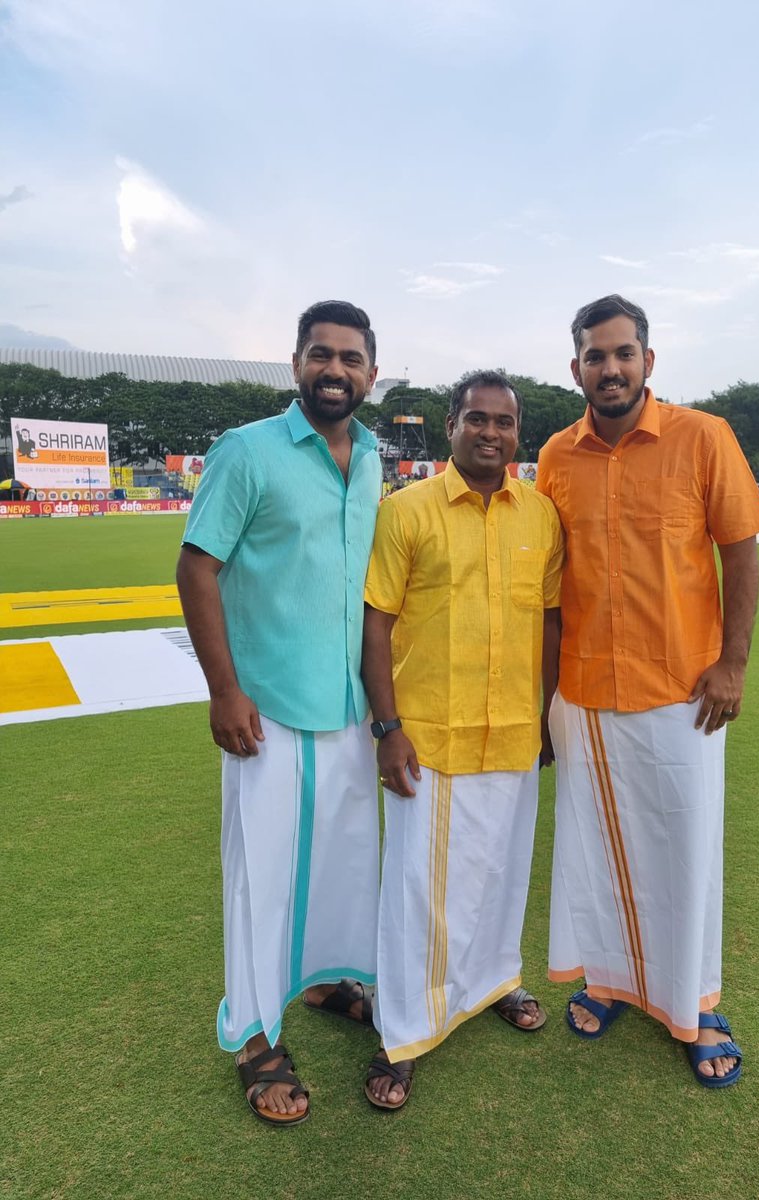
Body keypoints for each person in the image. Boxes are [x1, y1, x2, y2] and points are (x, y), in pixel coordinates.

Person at [537, 295, 759, 1088]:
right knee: (596, 848)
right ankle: (607, 979)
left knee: (686, 848)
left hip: (683, 690)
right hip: (585, 693)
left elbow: (739, 556)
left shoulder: (704, 439)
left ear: (648, 360)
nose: (610, 368)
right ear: (576, 368)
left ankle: (695, 1003)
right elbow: (550, 585)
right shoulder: (554, 458)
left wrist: (733, 664)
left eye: (623, 353)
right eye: (595, 356)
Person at [176, 300, 383, 1126]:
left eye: (352, 359)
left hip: (348, 708)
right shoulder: (247, 450)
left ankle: (329, 981)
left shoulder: (371, 460)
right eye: (321, 355)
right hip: (263, 711)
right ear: (296, 362)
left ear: (372, 371)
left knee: (339, 859)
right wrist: (224, 690)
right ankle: (255, 1035)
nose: (336, 371)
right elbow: (197, 568)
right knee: (261, 874)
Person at [361, 370, 564, 1109]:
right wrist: (387, 729)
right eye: (475, 419)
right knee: (417, 891)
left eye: (503, 423)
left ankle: (495, 982)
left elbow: (549, 619)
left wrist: (545, 716)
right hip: (427, 733)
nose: (489, 433)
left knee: (503, 874)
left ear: (518, 433)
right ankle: (402, 1030)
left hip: (513, 730)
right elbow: (375, 622)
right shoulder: (406, 510)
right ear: (449, 426)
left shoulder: (540, 515)